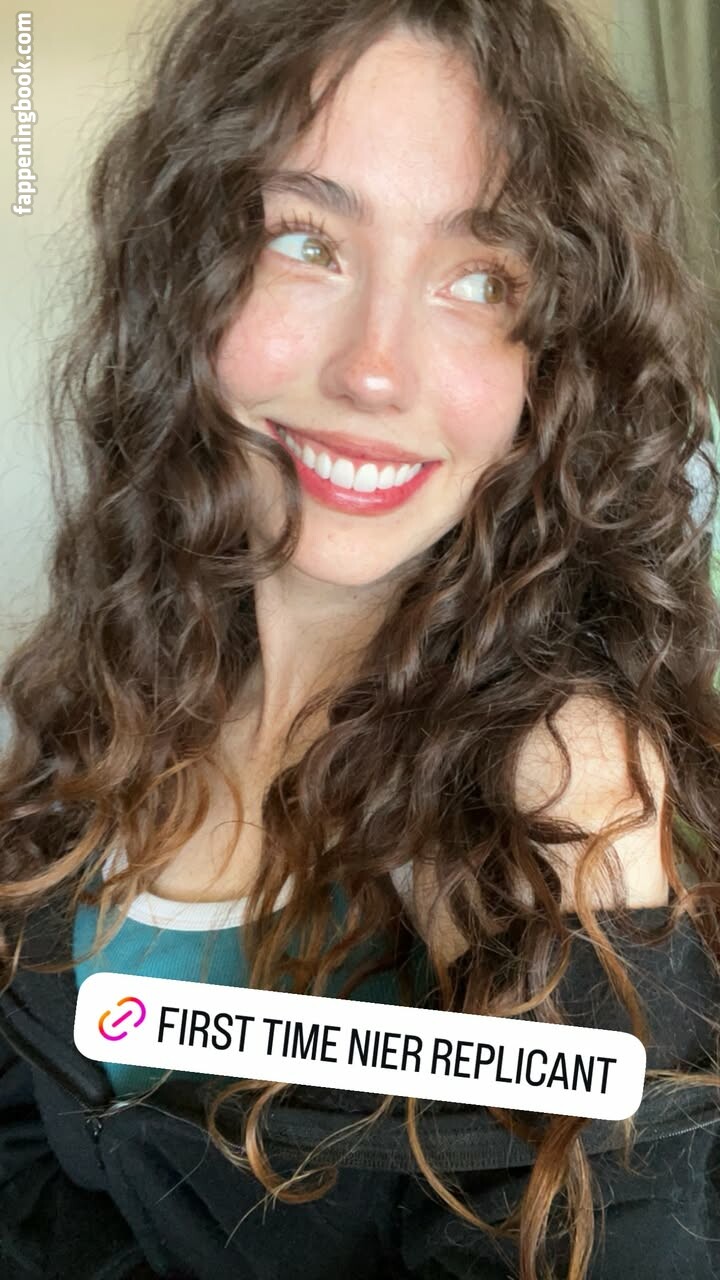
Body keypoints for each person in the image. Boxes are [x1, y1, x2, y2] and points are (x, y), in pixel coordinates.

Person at [1, 1, 719, 1277]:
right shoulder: (112, 691)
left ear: (553, 365)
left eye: (481, 279)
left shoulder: (558, 786)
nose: (374, 370)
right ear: (186, 282)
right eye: (306, 241)